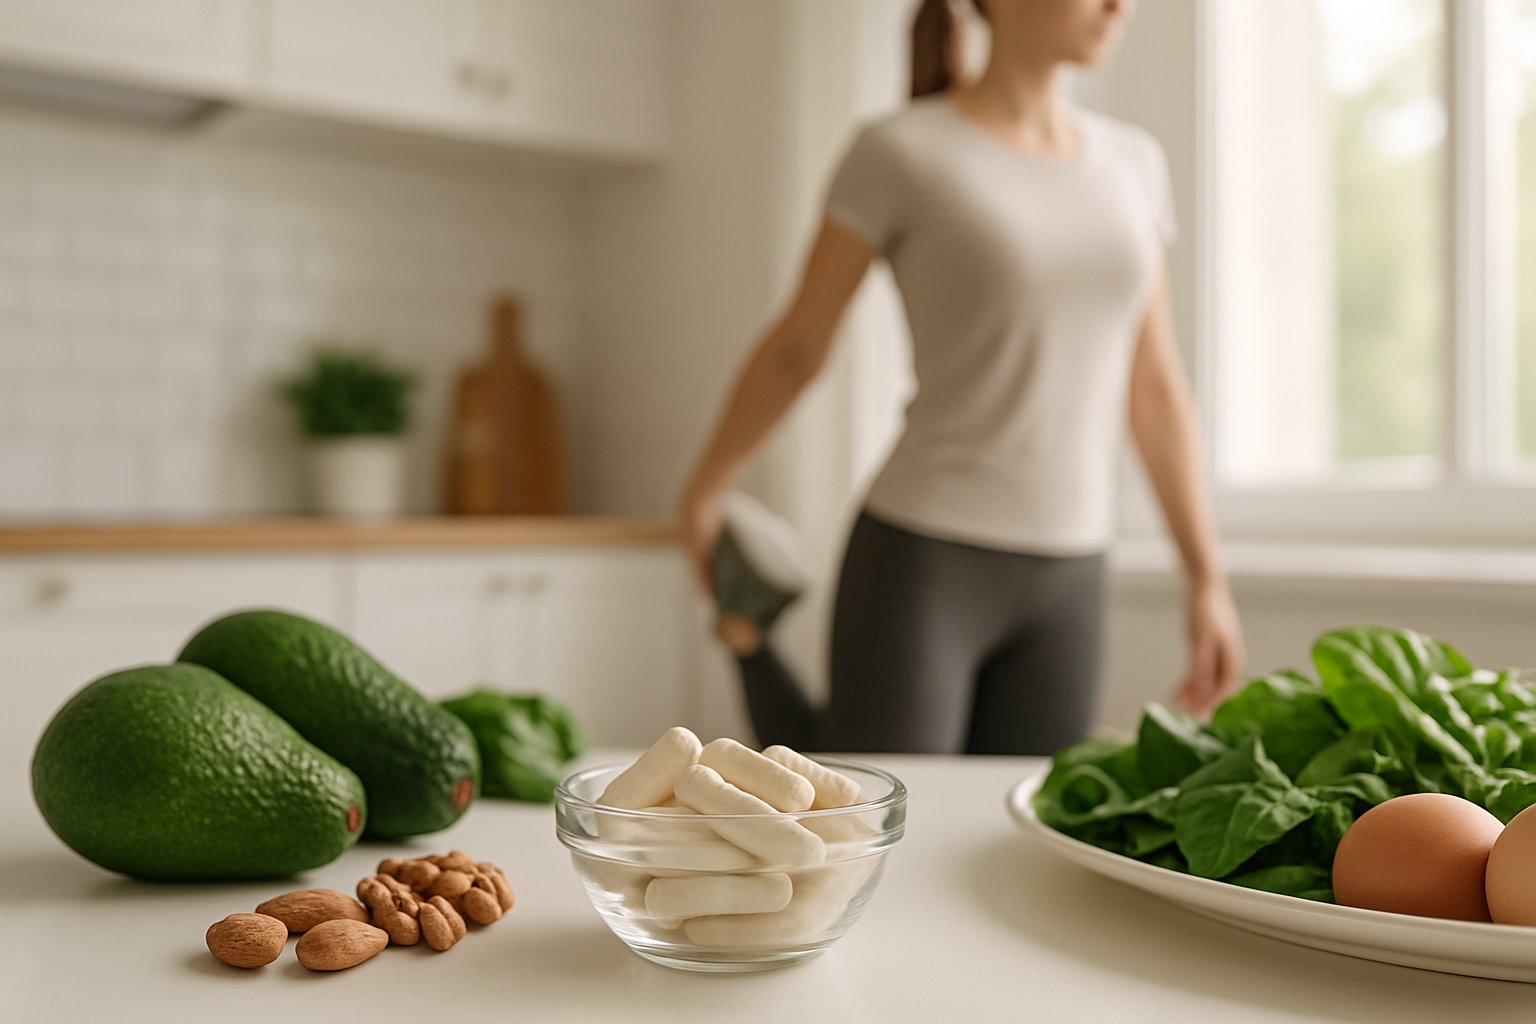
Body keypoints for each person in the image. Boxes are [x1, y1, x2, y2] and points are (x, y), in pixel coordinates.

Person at [679, 0, 1246, 756]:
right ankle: (746, 638)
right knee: (872, 810)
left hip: (1074, 569)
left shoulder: (1133, 164)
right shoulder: (901, 150)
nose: (1120, 5)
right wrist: (706, 490)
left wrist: (1206, 577)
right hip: (926, 554)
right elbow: (799, 346)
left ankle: (744, 633)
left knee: (1015, 822)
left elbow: (1155, 385)